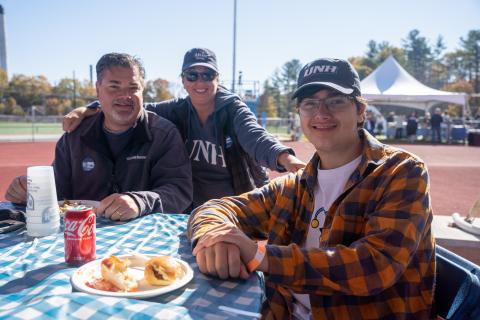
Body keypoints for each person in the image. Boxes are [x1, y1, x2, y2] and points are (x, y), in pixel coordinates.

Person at [188, 58, 435, 319]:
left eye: (336, 100)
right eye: (309, 103)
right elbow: (215, 208)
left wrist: (261, 255)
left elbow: (375, 265)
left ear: (361, 111)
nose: (321, 113)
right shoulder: (294, 185)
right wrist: (214, 237)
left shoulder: (401, 172)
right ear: (300, 114)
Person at [64, 48, 305, 209]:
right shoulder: (175, 109)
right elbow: (131, 104)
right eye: (192, 75)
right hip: (191, 208)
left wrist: (285, 158)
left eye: (207, 74)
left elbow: (255, 137)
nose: (200, 82)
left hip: (234, 205)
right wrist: (88, 108)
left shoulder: (232, 110)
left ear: (217, 79)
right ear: (183, 80)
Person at [5, 53, 193, 220]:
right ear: (98, 89)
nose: (125, 95)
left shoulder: (163, 134)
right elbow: (57, 190)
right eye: (114, 86)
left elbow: (179, 190)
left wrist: (139, 202)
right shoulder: (75, 136)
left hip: (141, 239)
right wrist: (29, 191)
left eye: (133, 87)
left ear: (142, 90)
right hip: (79, 237)